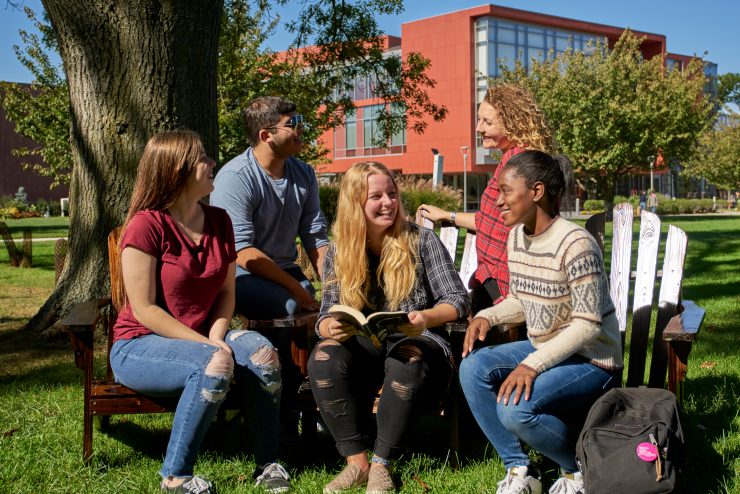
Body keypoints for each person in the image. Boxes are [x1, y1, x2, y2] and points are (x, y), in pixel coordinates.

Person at [110, 130, 290, 494]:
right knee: (216, 363)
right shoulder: (146, 226)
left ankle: (268, 462)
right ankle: (175, 476)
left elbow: (227, 292)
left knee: (264, 355)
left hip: (205, 336)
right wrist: (209, 346)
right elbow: (144, 310)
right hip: (140, 344)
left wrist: (215, 335)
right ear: (176, 170)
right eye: (203, 158)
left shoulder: (219, 221)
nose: (212, 165)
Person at [458, 150, 623, 494]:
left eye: (506, 191)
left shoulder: (576, 244)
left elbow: (588, 324)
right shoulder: (517, 238)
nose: (498, 202)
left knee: (514, 409)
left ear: (536, 192)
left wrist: (532, 366)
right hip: (546, 348)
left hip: (593, 360)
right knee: (472, 368)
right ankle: (520, 468)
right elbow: (521, 298)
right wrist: (488, 316)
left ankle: (576, 470)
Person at [309, 162, 470, 493]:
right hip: (363, 343)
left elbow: (457, 300)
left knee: (407, 359)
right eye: (376, 196)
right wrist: (329, 328)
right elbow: (325, 312)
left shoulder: (421, 240)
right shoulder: (338, 249)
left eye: (392, 194)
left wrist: (426, 318)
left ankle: (382, 463)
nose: (388, 203)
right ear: (356, 203)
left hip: (417, 339)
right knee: (323, 358)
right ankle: (357, 463)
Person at [210, 95, 329, 436]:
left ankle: (316, 405)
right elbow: (242, 252)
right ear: (266, 135)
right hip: (240, 276)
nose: (301, 128)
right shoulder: (236, 177)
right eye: (293, 124)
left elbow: (316, 236)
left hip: (284, 272)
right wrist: (296, 288)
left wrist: (335, 283)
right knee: (292, 305)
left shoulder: (303, 173)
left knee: (326, 312)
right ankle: (278, 411)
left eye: (299, 119)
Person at [417, 83, 554, 313]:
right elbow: (490, 221)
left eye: (488, 122)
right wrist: (447, 215)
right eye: (479, 120)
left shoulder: (519, 166)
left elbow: (527, 225)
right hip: (495, 279)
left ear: (513, 123)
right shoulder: (511, 160)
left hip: (506, 284)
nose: (479, 128)